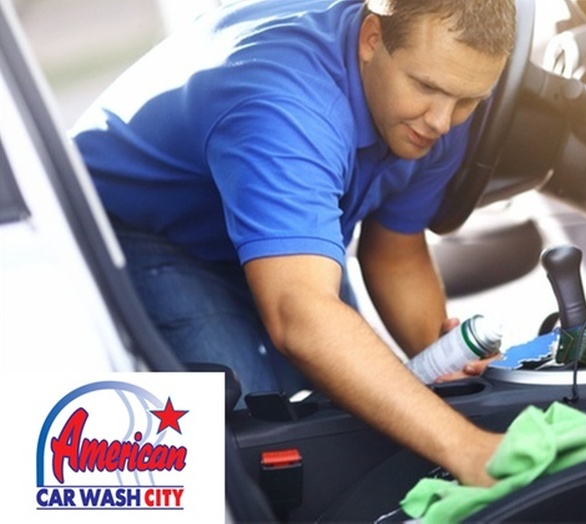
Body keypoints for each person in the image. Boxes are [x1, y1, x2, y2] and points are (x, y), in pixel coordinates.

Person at [71, 0, 516, 487]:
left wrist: (446, 359)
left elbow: (396, 251)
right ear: (372, 39)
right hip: (139, 233)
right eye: (426, 88)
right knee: (261, 450)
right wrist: (467, 447)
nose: (443, 122)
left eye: (468, 100)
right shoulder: (288, 105)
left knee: (355, 420)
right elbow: (300, 315)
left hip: (278, 245)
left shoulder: (442, 88)